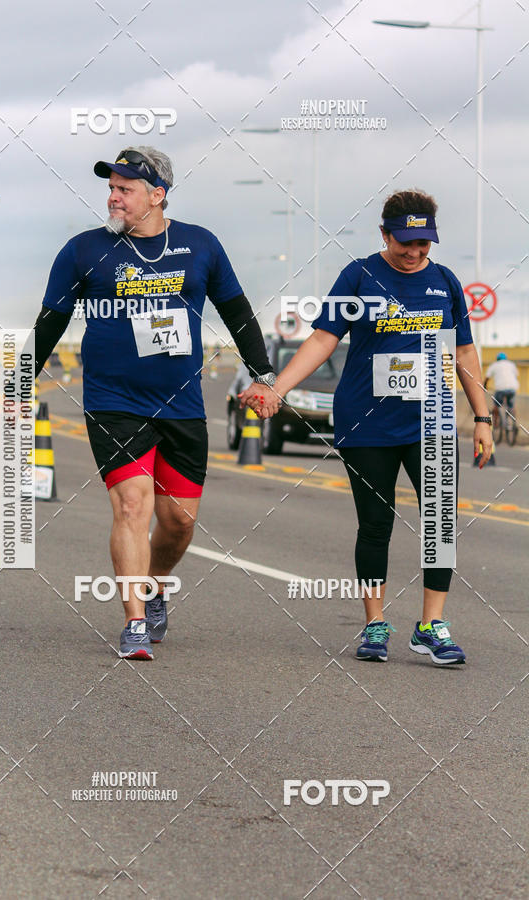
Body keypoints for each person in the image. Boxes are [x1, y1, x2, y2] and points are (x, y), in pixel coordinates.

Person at [33, 146, 278, 659]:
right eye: (111, 187)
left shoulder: (200, 246)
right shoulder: (83, 251)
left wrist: (264, 376)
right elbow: (51, 320)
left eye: (125, 189)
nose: (113, 196)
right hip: (112, 400)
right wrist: (19, 384)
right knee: (131, 505)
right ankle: (135, 623)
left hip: (182, 402)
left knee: (179, 522)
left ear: (157, 195)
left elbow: (237, 313)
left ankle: (155, 583)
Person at [241, 189, 493, 665]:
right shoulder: (360, 276)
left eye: (424, 244)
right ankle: (375, 623)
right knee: (375, 526)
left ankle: (431, 626)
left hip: (433, 422)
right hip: (367, 421)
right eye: (406, 243)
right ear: (384, 234)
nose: (415, 253)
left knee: (440, 526)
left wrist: (480, 417)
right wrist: (278, 388)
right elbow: (322, 339)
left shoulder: (444, 281)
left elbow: (463, 352)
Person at [484, 352, 519, 422]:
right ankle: (513, 423)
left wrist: (485, 386)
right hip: (513, 388)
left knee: (497, 405)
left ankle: (495, 422)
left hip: (500, 388)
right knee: (511, 405)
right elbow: (516, 375)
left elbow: (487, 377)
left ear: (497, 359)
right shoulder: (511, 364)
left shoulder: (494, 365)